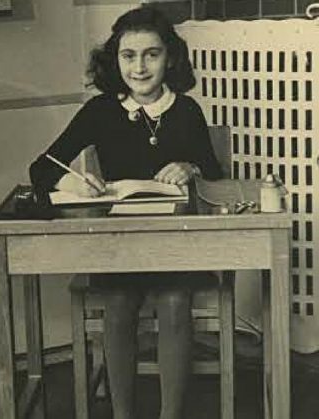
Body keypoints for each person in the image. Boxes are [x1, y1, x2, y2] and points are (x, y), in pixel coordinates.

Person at [28, 7, 221, 419]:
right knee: (117, 303)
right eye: (128, 55)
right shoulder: (100, 110)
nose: (139, 66)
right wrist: (72, 183)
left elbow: (216, 178)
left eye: (151, 54)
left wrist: (192, 168)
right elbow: (42, 168)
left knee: (174, 302)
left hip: (178, 244)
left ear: (170, 57)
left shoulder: (186, 110)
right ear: (114, 59)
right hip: (118, 247)